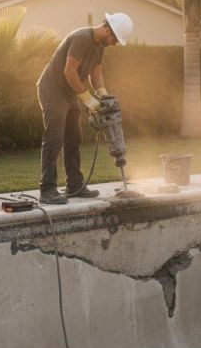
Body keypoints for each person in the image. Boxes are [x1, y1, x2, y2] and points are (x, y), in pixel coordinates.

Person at [36, 12, 133, 204]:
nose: (114, 43)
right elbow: (69, 71)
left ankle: (75, 185)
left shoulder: (99, 45)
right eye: (114, 38)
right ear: (107, 28)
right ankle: (47, 190)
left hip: (69, 93)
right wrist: (88, 99)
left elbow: (96, 70)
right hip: (52, 91)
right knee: (54, 139)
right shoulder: (82, 38)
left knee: (74, 138)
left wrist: (102, 92)